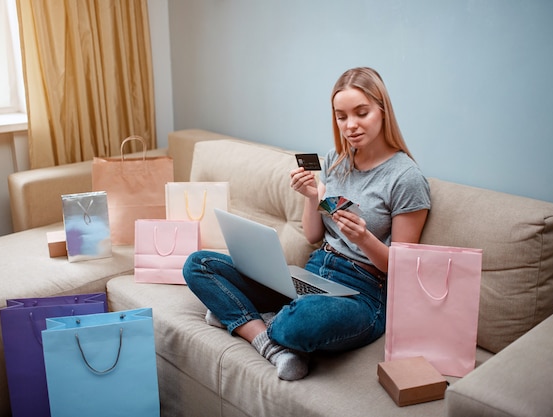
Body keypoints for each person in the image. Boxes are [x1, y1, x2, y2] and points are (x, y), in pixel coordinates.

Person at [183, 67, 431, 381]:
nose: (350, 125)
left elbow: (404, 271)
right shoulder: (335, 160)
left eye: (361, 113)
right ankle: (268, 342)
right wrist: (311, 196)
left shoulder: (406, 178)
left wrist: (365, 238)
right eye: (342, 117)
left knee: (300, 320)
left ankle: (242, 317)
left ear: (382, 111)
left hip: (363, 294)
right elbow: (314, 235)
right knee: (198, 264)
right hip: (313, 272)